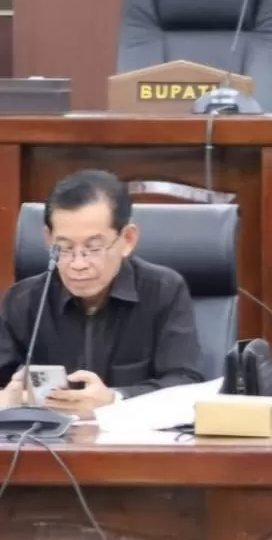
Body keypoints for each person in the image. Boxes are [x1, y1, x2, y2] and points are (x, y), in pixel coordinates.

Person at [0, 170, 204, 415]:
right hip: (44, 436)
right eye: (64, 248)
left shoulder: (163, 291)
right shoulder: (23, 300)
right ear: (48, 239)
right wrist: (7, 398)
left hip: (132, 436)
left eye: (93, 248)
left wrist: (114, 400)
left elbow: (185, 383)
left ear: (127, 239)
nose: (78, 264)